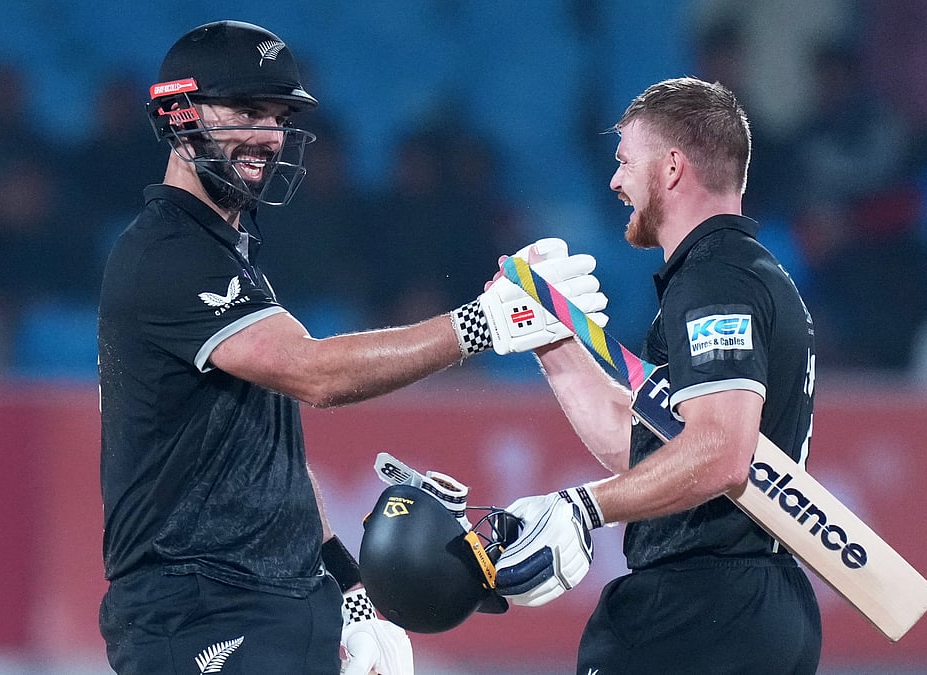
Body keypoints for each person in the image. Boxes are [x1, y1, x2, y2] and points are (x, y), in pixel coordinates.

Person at [95, 20, 606, 675]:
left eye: (278, 116)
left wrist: (351, 594)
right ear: (179, 114)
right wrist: (483, 323)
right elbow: (313, 374)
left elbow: (269, 460)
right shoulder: (167, 255)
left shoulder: (228, 260)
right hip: (202, 618)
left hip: (274, 610)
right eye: (247, 111)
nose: (269, 136)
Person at [491, 77, 822, 674]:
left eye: (624, 162)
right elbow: (650, 455)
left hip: (698, 614)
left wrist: (581, 507)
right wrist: (552, 341)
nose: (615, 182)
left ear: (672, 168)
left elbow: (721, 453)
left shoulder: (716, 282)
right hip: (748, 607)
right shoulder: (743, 274)